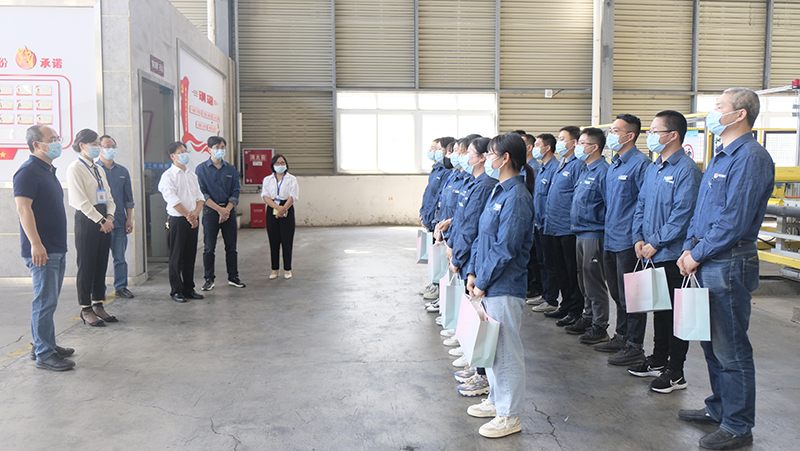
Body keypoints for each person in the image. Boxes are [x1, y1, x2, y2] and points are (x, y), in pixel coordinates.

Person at [677, 88, 774, 450]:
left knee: (731, 349)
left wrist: (697, 254)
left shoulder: (751, 158)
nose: (712, 113)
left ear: (740, 114)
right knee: (711, 344)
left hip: (728, 261)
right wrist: (689, 248)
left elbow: (734, 220)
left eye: (718, 107)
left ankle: (737, 425)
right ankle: (718, 407)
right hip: (706, 258)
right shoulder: (721, 155)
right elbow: (701, 211)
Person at [627, 111, 701, 393]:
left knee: (677, 314)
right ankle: (658, 358)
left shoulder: (687, 170)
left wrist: (655, 242)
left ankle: (676, 370)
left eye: (655, 131)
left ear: (673, 135)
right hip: (650, 252)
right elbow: (641, 204)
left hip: (673, 255)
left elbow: (682, 215)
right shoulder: (654, 168)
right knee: (659, 310)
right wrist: (638, 238)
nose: (650, 136)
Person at [465, 133, 534, 438]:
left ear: (505, 158)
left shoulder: (517, 197)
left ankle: (509, 415)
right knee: (493, 349)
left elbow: (506, 247)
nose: (487, 158)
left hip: (504, 285)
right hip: (488, 282)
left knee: (506, 352)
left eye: (491, 154)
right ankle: (496, 400)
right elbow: (482, 237)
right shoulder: (499, 191)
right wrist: (472, 273)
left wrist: (482, 281)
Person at [14, 125, 75, 371]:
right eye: (52, 139)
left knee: (49, 301)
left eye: (58, 138)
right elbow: (23, 209)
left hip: (55, 246)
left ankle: (42, 343)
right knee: (44, 302)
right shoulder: (27, 172)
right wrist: (36, 244)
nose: (58, 142)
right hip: (42, 249)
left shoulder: (48, 170)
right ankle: (44, 354)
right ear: (37, 145)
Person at [597, 114, 651, 355]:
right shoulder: (615, 164)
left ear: (630, 136)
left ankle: (635, 344)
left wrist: (639, 236)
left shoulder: (641, 164)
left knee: (633, 295)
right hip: (611, 237)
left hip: (630, 241)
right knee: (618, 293)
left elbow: (645, 204)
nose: (610, 134)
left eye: (615, 131)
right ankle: (621, 336)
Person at [447, 137, 496, 397]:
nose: (463, 156)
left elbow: (473, 226)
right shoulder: (473, 182)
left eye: (467, 152)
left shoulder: (486, 185)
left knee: (481, 316)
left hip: (471, 256)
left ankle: (482, 374)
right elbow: (462, 220)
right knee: (472, 311)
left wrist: (459, 256)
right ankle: (476, 364)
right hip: (467, 253)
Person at [66, 129, 117, 326]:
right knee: (86, 265)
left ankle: (98, 304)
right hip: (88, 220)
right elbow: (81, 201)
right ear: (82, 145)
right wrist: (101, 221)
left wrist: (109, 217)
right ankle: (86, 308)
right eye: (94, 144)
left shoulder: (98, 168)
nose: (98, 147)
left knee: (100, 263)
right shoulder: (75, 168)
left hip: (105, 218)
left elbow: (108, 196)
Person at [566, 127, 611, 344]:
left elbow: (610, 206)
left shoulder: (603, 172)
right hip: (580, 231)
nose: (577, 147)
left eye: (582, 143)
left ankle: (600, 324)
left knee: (594, 280)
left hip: (594, 233)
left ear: (594, 147)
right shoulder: (585, 169)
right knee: (583, 278)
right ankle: (588, 315)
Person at [541, 126, 586, 326]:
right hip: (554, 227)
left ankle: (575, 309)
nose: (558, 142)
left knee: (571, 272)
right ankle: (565, 305)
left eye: (562, 139)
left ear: (573, 143)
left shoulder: (578, 165)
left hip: (568, 228)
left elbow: (578, 197)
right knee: (560, 270)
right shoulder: (563, 163)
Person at [196, 136, 245, 291]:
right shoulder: (201, 169)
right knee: (209, 247)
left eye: (223, 147)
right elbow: (202, 194)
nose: (220, 150)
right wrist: (219, 210)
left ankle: (233, 277)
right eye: (217, 147)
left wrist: (227, 210)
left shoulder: (231, 169)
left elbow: (236, 191)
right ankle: (209, 279)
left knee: (231, 247)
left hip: (229, 212)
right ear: (209, 149)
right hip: (211, 212)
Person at [158, 141, 205, 303]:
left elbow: (200, 198)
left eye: (186, 151)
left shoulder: (192, 176)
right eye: (181, 152)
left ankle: (189, 288)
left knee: (190, 255)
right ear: (173, 156)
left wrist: (195, 214)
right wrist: (189, 216)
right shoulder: (168, 176)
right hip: (178, 220)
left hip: (193, 219)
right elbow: (173, 200)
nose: (185, 154)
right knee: (176, 257)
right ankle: (176, 291)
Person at [97, 135, 136, 299]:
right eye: (107, 146)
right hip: (99, 223)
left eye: (113, 146)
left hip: (119, 221)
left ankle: (121, 287)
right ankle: (98, 289)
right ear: (99, 148)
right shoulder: (94, 170)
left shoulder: (122, 171)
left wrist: (129, 219)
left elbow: (128, 198)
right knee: (99, 258)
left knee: (120, 257)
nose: (111, 149)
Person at [530, 133, 560, 313]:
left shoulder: (555, 168)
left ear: (547, 147)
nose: (535, 148)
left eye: (537, 145)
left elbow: (552, 200)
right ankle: (544, 293)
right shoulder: (542, 168)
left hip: (548, 224)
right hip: (538, 223)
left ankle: (551, 298)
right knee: (542, 261)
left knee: (550, 263)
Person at [261, 154, 299, 280]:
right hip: (273, 207)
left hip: (287, 207)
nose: (280, 165)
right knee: (273, 240)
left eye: (283, 163)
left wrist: (283, 209)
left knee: (287, 241)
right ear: (273, 165)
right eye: (277, 163)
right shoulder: (267, 179)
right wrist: (278, 208)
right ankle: (275, 269)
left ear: (286, 165)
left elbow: (293, 196)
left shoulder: (291, 179)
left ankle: (287, 269)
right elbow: (265, 196)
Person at [521, 133, 542, 300]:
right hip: (526, 219)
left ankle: (536, 287)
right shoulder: (522, 167)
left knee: (535, 259)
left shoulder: (534, 168)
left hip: (533, 219)